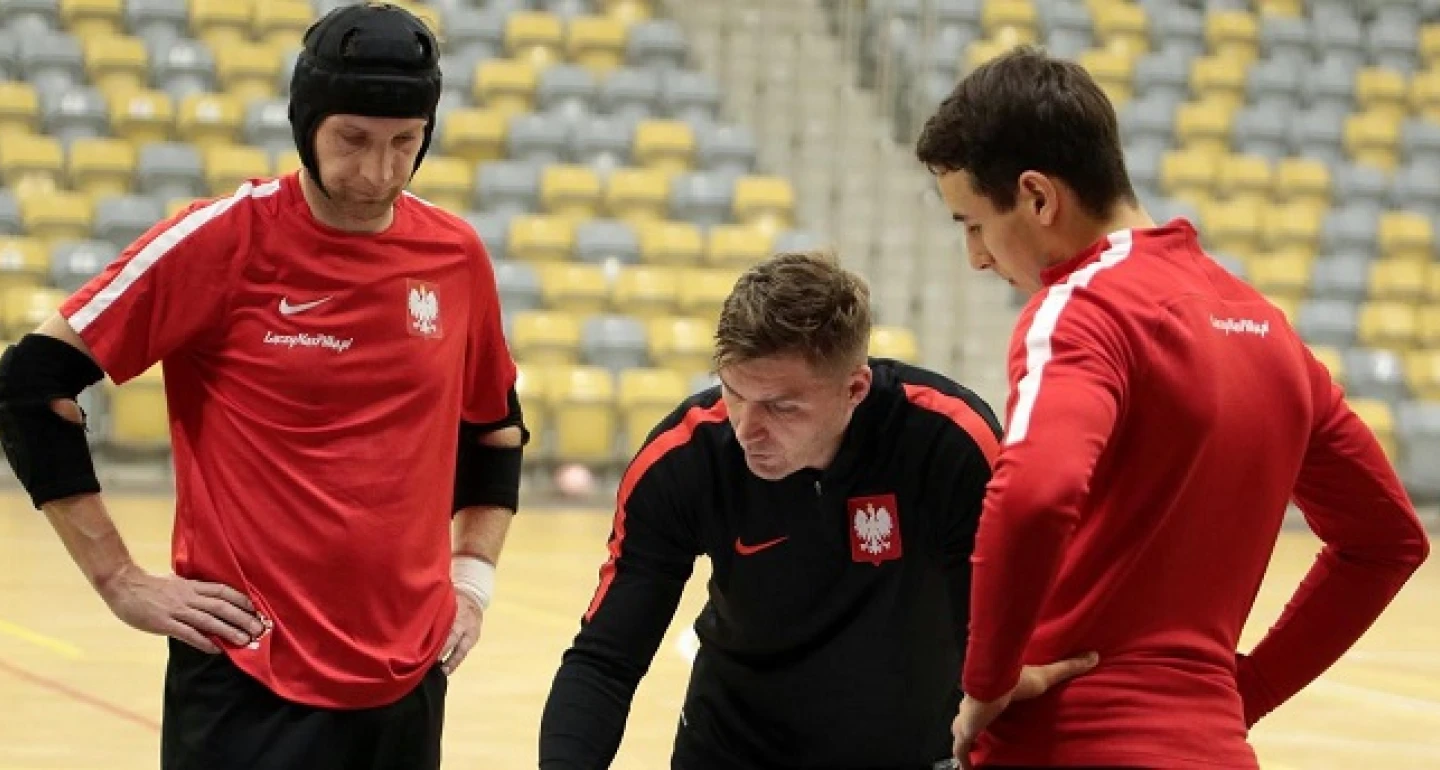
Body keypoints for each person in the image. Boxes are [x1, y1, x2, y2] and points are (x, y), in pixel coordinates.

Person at [0, 4, 527, 769]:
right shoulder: (224, 239)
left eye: (404, 143)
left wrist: (472, 584)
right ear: (306, 123)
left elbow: (494, 430)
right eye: (352, 139)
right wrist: (118, 579)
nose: (378, 172)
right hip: (246, 676)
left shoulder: (455, 255)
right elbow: (31, 385)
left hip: (407, 682)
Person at [914, 46, 1432, 770]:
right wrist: (1245, 693)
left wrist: (987, 679)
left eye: (971, 223)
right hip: (1213, 749)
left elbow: (1034, 496)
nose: (975, 256)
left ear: (1037, 197)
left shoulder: (1082, 308)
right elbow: (1388, 541)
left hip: (1067, 744)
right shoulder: (1269, 331)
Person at [538, 250, 1093, 769]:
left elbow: (990, 634)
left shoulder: (948, 443)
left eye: (781, 407)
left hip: (911, 749)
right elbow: (607, 659)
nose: (747, 430)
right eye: (733, 392)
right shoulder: (682, 459)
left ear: (855, 388)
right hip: (733, 749)